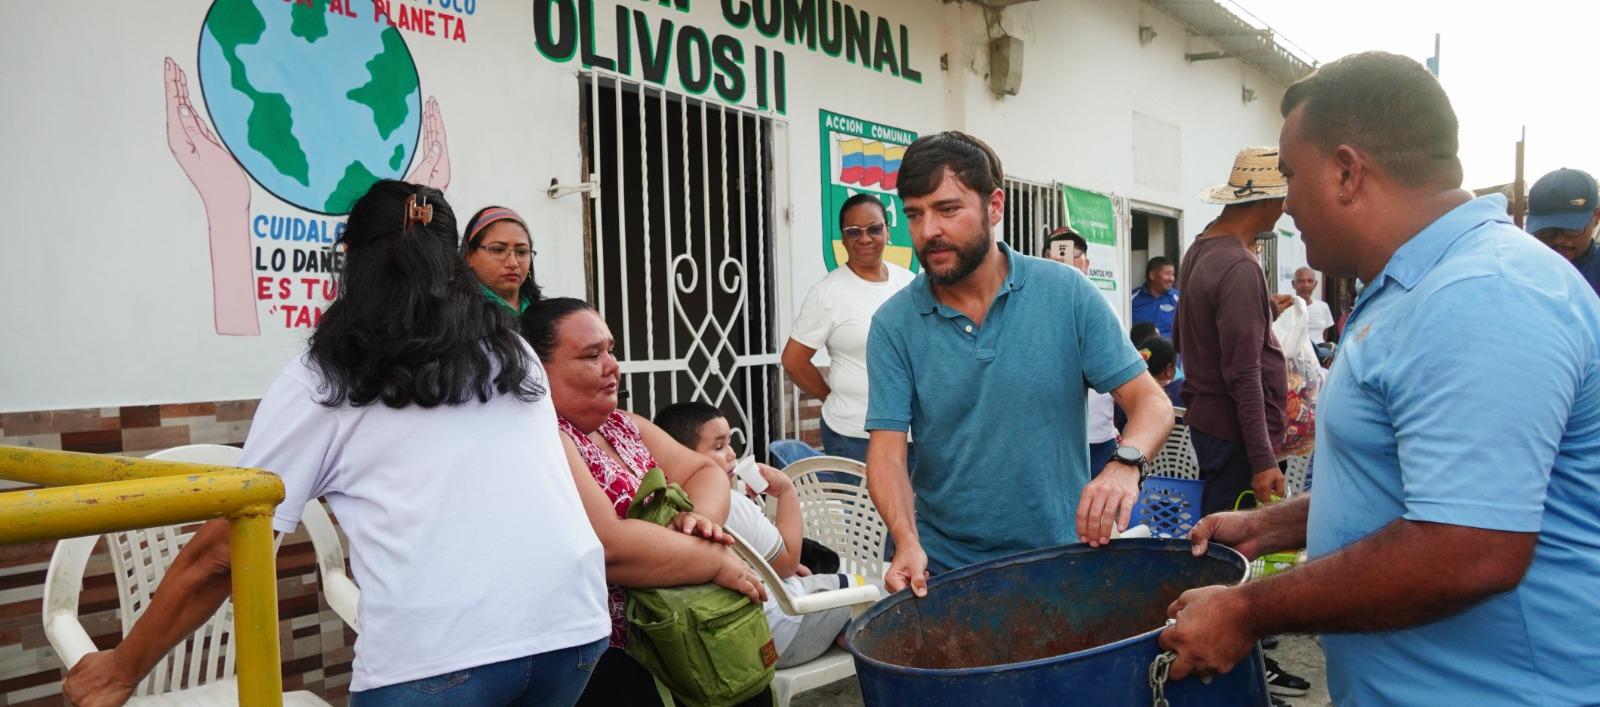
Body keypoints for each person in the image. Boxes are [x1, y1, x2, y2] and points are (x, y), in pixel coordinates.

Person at [60, 181, 737, 707]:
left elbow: (222, 553)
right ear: (456, 265)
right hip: (572, 630)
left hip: (442, 657)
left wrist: (119, 670)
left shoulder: (326, 375)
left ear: (350, 260)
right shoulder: (514, 353)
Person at [1159, 51, 1600, 706]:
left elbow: (1468, 548)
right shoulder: (1412, 285)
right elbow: (1414, 480)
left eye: (1291, 175)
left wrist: (1248, 609)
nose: (1287, 205)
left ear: (1345, 171)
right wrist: (1273, 526)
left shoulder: (1484, 293)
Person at [864, 131, 1174, 597]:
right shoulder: (894, 324)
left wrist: (1123, 464)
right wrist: (906, 541)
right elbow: (887, 452)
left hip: (1062, 559)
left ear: (994, 206)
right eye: (914, 213)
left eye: (947, 209)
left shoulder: (1067, 294)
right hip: (947, 573)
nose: (928, 231)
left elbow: (1151, 402)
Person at [522, 299, 773, 707]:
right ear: (540, 369)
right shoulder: (548, 438)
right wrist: (712, 558)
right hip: (614, 649)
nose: (612, 366)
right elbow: (611, 547)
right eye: (591, 355)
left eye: (610, 349)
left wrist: (701, 522)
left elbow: (705, 473)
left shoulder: (625, 425)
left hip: (686, 625)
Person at [654, 402, 867, 668]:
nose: (732, 454)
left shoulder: (663, 506)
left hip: (720, 644)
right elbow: (788, 563)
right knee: (864, 588)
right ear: (683, 456)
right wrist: (786, 492)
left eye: (730, 443)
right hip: (777, 637)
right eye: (718, 446)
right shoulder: (732, 504)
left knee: (818, 577)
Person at [1174, 146, 1290, 517]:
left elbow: (1185, 333)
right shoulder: (1239, 264)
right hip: (1235, 435)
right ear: (1267, 203)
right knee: (1232, 547)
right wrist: (1263, 460)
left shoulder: (1201, 248)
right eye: (1284, 200)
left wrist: (1264, 311)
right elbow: (1243, 372)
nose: (1286, 209)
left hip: (1211, 425)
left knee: (1218, 529)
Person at [782, 194, 916, 465]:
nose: (864, 238)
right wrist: (831, 397)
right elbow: (793, 360)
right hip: (854, 435)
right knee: (862, 509)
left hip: (911, 433)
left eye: (874, 229)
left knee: (913, 508)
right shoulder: (828, 293)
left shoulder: (909, 283)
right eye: (853, 232)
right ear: (843, 239)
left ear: (888, 231)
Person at [1048, 227, 1121, 477]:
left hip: (1099, 440)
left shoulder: (1103, 308)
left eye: (1073, 254)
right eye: (1056, 255)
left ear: (1087, 264)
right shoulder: (1032, 311)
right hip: (1051, 443)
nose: (1064, 261)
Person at [1525, 167, 1600, 296]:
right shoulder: (1520, 270)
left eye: (1571, 228)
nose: (1558, 240)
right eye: (1546, 231)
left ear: (1597, 218)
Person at [462, 205, 540, 313]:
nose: (513, 263)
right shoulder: (451, 317)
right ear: (469, 256)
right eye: (498, 250)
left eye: (522, 252)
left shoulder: (548, 316)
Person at [1131, 256, 1179, 338]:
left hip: (1169, 349)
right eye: (1167, 274)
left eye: (1172, 274)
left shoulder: (1178, 298)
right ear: (1152, 275)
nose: (1172, 279)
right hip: (1140, 349)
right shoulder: (1131, 299)